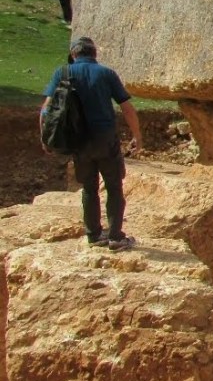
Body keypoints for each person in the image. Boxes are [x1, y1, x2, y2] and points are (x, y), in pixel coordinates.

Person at [40, 37, 142, 250]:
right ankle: (115, 237)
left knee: (89, 188)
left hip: (78, 140)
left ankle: (94, 235)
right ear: (94, 54)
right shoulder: (106, 73)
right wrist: (137, 136)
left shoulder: (63, 73)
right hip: (105, 138)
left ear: (74, 54)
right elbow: (127, 107)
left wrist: (46, 138)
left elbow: (46, 109)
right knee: (114, 187)